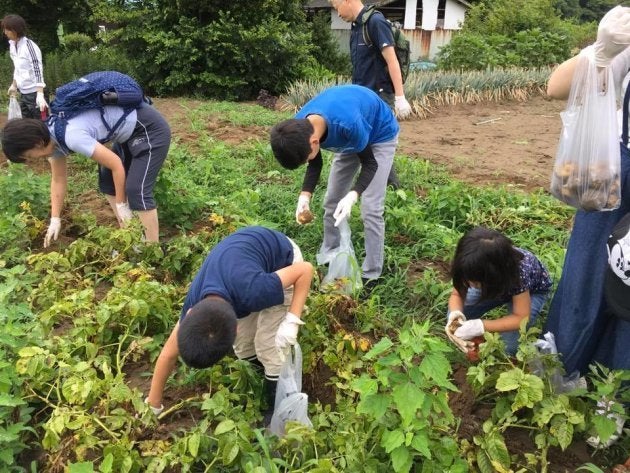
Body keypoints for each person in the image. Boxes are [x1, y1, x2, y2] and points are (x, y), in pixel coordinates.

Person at [145, 226, 313, 425]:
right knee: (244, 346)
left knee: (269, 346)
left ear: (234, 327)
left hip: (284, 261)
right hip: (244, 266)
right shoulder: (195, 304)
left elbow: (305, 270)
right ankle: (264, 377)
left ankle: (274, 408)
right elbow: (168, 353)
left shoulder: (254, 290)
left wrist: (292, 320)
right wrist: (153, 404)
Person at [544, 5, 630, 377]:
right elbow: (556, 87)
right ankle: (564, 367)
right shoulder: (627, 37)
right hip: (619, 175)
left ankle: (615, 392)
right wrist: (601, 51)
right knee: (589, 270)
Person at [1, 84, 171, 244]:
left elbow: (116, 165)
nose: (34, 160)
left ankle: (151, 250)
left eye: (31, 156)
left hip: (148, 128)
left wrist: (122, 204)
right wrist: (55, 219)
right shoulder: (52, 136)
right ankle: (130, 236)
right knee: (107, 181)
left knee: (136, 189)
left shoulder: (71, 136)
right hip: (126, 133)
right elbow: (58, 180)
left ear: (37, 143)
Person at [269, 84, 399, 289]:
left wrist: (353, 195)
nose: (307, 162)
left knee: (371, 208)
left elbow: (370, 163)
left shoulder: (348, 124)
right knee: (332, 200)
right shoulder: (300, 126)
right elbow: (315, 162)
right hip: (351, 136)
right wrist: (305, 196)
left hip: (379, 133)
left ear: (314, 142)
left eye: (304, 159)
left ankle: (372, 274)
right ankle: (330, 253)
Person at [329, 0, 411, 189]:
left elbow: (392, 61)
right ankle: (390, 185)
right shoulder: (357, 27)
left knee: (378, 142)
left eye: (337, 7)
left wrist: (400, 97)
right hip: (363, 96)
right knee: (371, 142)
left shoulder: (375, 22)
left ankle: (390, 186)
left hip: (379, 97)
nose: (338, 13)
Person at [445, 226, 552, 355]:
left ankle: (481, 339)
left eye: (474, 282)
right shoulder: (469, 264)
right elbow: (457, 294)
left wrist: (481, 326)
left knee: (507, 347)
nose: (470, 285)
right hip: (492, 285)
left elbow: (521, 317)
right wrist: (455, 315)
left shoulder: (520, 271)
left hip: (531, 291)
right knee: (455, 323)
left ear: (493, 276)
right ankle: (474, 341)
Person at [2, 14, 48, 118]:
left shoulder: (29, 46)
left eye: (7, 29)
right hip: (24, 93)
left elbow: (38, 69)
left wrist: (40, 94)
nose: (5, 32)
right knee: (27, 126)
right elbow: (17, 67)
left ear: (15, 30)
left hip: (35, 93)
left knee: (40, 125)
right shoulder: (13, 45)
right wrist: (14, 85)